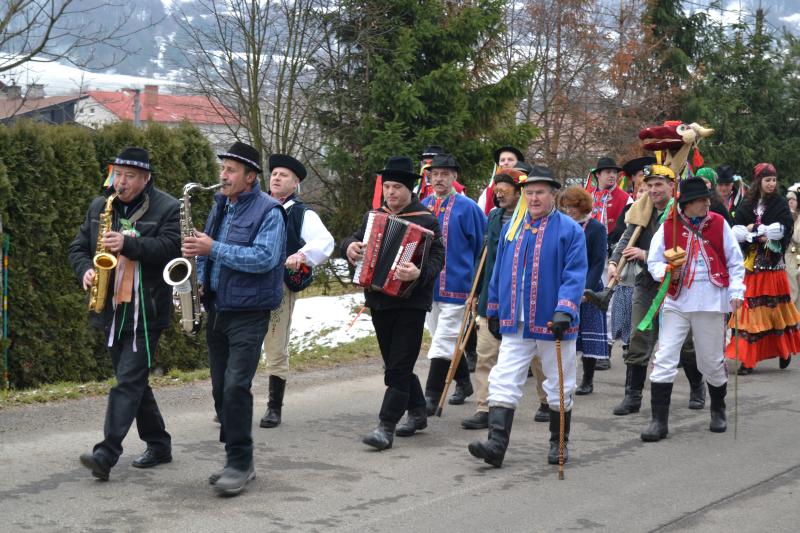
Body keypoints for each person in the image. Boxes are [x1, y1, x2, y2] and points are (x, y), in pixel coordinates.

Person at [69, 147, 180, 481]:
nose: (122, 182)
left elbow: (172, 248)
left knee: (127, 382)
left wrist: (129, 244)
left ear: (145, 178)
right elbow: (78, 248)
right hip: (112, 309)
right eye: (118, 175)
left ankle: (106, 454)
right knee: (134, 383)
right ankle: (159, 444)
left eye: (130, 176)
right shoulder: (100, 206)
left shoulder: (168, 207)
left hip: (147, 310)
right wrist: (86, 270)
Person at [184, 141, 286, 496]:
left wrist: (213, 248)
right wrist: (199, 279)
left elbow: (264, 258)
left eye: (230, 170)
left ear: (250, 176)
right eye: (222, 168)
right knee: (219, 390)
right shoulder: (221, 205)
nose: (223, 175)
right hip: (217, 309)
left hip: (249, 312)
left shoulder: (270, 211)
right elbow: (204, 252)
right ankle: (238, 458)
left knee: (235, 387)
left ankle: (240, 463)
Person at [468, 166, 587, 468]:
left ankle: (558, 443)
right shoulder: (514, 228)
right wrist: (493, 308)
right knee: (503, 378)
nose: (534, 198)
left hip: (553, 321)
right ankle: (495, 446)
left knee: (559, 382)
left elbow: (575, 274)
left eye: (540, 193)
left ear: (553, 195)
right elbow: (498, 271)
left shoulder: (570, 230)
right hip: (516, 321)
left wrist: (565, 309)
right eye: (530, 193)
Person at [342, 156, 445, 450]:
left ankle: (385, 426)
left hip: (412, 302)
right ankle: (418, 411)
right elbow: (351, 240)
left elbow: (438, 257)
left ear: (409, 189)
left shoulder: (426, 220)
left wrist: (418, 272)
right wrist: (349, 247)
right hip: (379, 299)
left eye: (396, 187)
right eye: (387, 186)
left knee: (399, 364)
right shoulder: (373, 217)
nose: (390, 192)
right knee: (395, 362)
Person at [641, 177, 745, 442]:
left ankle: (718, 409)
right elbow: (653, 261)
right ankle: (658, 422)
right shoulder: (668, 227)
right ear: (687, 203)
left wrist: (736, 291)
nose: (707, 204)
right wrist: (666, 272)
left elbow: (735, 261)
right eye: (701, 200)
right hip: (676, 301)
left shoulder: (719, 224)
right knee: (665, 358)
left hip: (711, 300)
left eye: (707, 199)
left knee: (710, 361)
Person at [607, 164, 705, 416]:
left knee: (684, 343)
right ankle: (633, 397)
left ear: (672, 187)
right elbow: (626, 238)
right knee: (638, 336)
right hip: (647, 283)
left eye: (658, 185)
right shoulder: (642, 210)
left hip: (678, 286)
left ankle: (697, 386)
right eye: (649, 185)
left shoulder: (683, 213)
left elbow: (689, 249)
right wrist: (614, 263)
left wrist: (645, 254)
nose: (653, 190)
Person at [461, 166, 551, 429]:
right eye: (496, 190)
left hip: (524, 299)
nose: (498, 195)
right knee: (485, 354)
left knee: (537, 358)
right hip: (492, 295)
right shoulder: (493, 217)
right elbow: (485, 258)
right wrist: (477, 291)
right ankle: (484, 407)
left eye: (504, 190)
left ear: (518, 192)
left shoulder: (532, 219)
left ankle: (547, 400)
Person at [259, 154, 334, 429]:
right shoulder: (256, 205)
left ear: (295, 183)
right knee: (242, 343)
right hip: (247, 283)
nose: (276, 178)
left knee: (275, 344)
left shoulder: (302, 213)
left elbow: (325, 241)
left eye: (284, 175)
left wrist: (302, 254)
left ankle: (273, 407)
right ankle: (232, 402)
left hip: (278, 284)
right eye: (274, 174)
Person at [419, 154, 486, 415]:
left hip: (458, 286)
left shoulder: (468, 208)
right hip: (427, 286)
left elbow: (481, 247)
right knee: (441, 338)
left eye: (445, 174)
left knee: (444, 340)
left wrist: (476, 282)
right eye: (434, 174)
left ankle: (430, 398)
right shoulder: (423, 206)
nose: (439, 179)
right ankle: (464, 383)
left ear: (454, 177)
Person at [727, 163, 800, 374]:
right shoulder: (747, 204)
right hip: (751, 268)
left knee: (776, 312)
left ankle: (783, 351)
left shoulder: (779, 203)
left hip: (772, 268)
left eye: (774, 180)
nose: (771, 184)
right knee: (749, 312)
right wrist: (754, 233)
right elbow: (736, 229)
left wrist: (757, 229)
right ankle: (748, 360)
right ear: (758, 181)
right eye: (767, 180)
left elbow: (783, 228)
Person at [558, 186, 608, 395]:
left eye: (573, 206)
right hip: (565, 286)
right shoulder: (561, 226)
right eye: (565, 207)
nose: (569, 210)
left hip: (588, 288)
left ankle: (588, 379)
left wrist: (586, 289)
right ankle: (563, 377)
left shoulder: (596, 228)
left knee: (588, 335)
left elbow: (598, 261)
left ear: (583, 206)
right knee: (566, 335)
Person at [785, 190, 800, 307]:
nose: (790, 202)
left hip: (798, 255)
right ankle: (791, 313)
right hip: (789, 255)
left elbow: (797, 238)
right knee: (791, 287)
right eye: (788, 199)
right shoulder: (783, 216)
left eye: (793, 199)